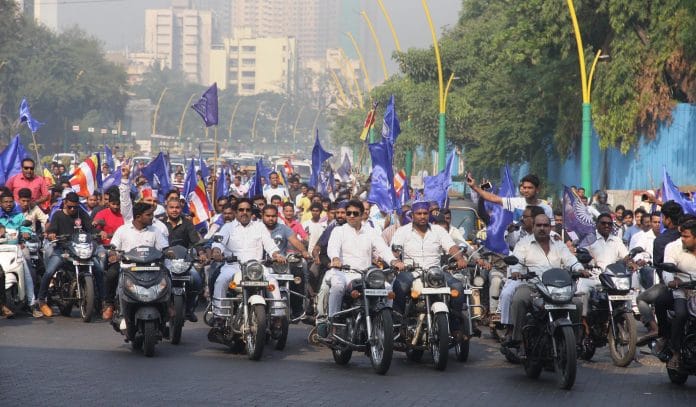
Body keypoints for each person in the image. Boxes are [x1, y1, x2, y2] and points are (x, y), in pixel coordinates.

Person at [316, 200, 404, 337]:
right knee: (337, 286)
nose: (351, 216)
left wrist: (394, 261)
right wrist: (335, 258)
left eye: (355, 213)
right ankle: (334, 322)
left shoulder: (370, 232)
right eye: (348, 213)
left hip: (365, 275)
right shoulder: (338, 231)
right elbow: (333, 247)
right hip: (342, 272)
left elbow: (382, 249)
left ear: (362, 215)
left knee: (387, 288)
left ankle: (385, 323)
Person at [506, 214, 584, 348]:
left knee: (577, 303)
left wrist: (580, 269)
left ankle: (575, 343)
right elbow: (517, 260)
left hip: (557, 287)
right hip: (533, 286)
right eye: (539, 225)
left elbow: (570, 260)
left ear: (550, 227)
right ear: (533, 227)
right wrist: (516, 271)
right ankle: (518, 340)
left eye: (545, 225)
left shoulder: (558, 244)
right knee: (519, 299)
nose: (542, 228)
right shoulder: (524, 243)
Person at [391, 201, 467, 336]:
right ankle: (398, 325)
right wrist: (396, 261)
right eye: (419, 213)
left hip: (435, 273)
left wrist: (460, 259)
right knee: (399, 286)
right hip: (411, 272)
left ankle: (455, 326)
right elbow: (394, 251)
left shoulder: (438, 230)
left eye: (425, 213)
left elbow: (451, 247)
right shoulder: (402, 231)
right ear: (412, 215)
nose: (422, 216)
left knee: (458, 287)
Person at [210, 198, 285, 318]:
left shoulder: (259, 226)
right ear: (236, 212)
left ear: (251, 212)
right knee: (221, 281)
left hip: (256, 267)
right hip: (233, 266)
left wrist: (276, 255)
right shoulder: (228, 227)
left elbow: (270, 245)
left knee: (272, 282)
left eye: (247, 210)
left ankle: (277, 317)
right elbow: (219, 243)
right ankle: (219, 316)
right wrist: (216, 252)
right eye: (241, 210)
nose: (244, 212)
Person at [36, 192, 101, 317]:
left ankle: (104, 303)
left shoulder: (81, 214)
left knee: (99, 269)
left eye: (75, 207)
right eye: (70, 206)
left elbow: (90, 228)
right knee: (49, 271)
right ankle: (42, 301)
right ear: (65, 203)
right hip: (62, 250)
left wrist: (98, 232)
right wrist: (51, 234)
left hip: (80, 250)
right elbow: (52, 229)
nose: (72, 209)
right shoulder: (58, 215)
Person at [108, 202, 169, 319]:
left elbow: (164, 247)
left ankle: (168, 305)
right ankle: (109, 304)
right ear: (138, 217)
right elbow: (113, 247)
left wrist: (169, 252)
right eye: (149, 215)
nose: (152, 218)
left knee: (168, 274)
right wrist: (113, 255)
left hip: (152, 268)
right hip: (127, 268)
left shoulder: (156, 231)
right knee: (111, 274)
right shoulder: (122, 230)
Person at [654, 219, 696, 369]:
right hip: (682, 290)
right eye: (682, 235)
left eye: (686, 236)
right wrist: (671, 281)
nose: (683, 239)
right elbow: (668, 270)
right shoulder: (673, 247)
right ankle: (675, 352)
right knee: (681, 314)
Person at [576, 213, 629, 327]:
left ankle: (623, 316)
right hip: (593, 277)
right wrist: (586, 260)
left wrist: (631, 262)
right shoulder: (589, 239)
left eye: (609, 224)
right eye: (603, 223)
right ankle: (583, 322)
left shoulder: (616, 240)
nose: (607, 226)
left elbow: (626, 256)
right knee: (583, 292)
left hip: (612, 279)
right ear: (597, 225)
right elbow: (580, 254)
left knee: (628, 290)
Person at [0, 191, 42, 317]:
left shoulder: (19, 216)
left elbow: (25, 227)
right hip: (1, 249)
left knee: (27, 270)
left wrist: (26, 232)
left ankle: (31, 304)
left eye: (10, 202)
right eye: (5, 202)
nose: (8, 204)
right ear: (0, 203)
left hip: (17, 248)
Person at [161, 197, 202, 322]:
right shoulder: (160, 224)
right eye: (171, 207)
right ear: (166, 209)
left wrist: (201, 253)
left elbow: (195, 241)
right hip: (163, 261)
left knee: (196, 279)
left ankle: (189, 308)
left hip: (184, 261)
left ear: (181, 209)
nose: (174, 210)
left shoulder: (187, 223)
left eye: (177, 207)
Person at [467, 173, 553, 223]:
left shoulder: (546, 208)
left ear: (537, 189)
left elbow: (552, 230)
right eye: (524, 187)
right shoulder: (515, 202)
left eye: (530, 188)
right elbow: (493, 198)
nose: (526, 190)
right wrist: (474, 187)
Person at [93, 189, 125, 320]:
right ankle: (104, 300)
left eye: (118, 204)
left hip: (121, 250)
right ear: (109, 203)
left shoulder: (125, 215)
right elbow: (93, 228)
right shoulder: (102, 214)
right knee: (103, 267)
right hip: (104, 247)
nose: (116, 207)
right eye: (113, 204)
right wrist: (99, 230)